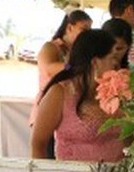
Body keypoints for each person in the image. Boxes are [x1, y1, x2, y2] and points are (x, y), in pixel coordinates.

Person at [31, 29, 125, 162]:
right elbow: (38, 144)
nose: (117, 64)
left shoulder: (114, 92)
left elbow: (128, 139)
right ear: (95, 62)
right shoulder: (59, 93)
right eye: (113, 58)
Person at [30, 9, 92, 158]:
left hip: (70, 110)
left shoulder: (78, 51)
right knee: (47, 156)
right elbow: (49, 68)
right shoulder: (51, 47)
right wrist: (77, 66)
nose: (86, 34)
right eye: (83, 29)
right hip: (49, 107)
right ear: (69, 27)